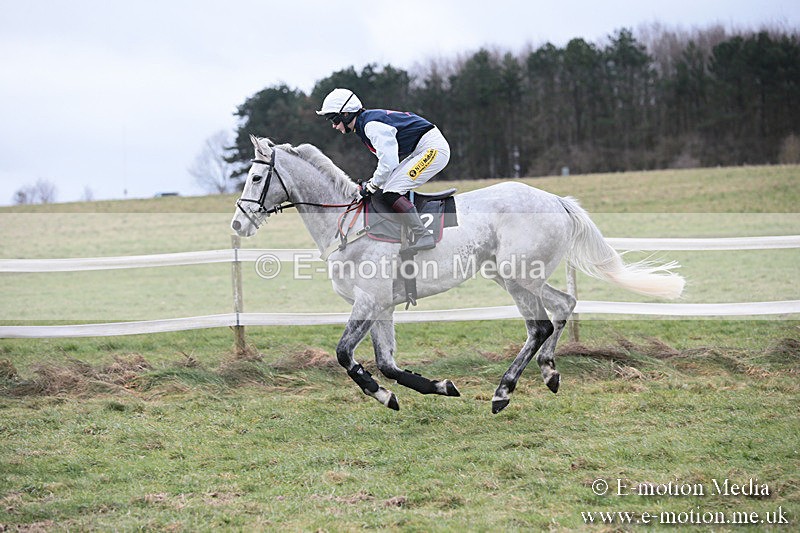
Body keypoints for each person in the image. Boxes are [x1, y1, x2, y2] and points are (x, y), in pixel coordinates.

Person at [316, 88, 450, 252]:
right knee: (387, 187)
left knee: (392, 191)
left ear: (346, 114)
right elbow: (387, 163)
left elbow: (389, 163)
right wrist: (372, 183)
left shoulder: (371, 126)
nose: (334, 126)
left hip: (433, 149)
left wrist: (371, 185)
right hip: (422, 148)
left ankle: (423, 235)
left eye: (334, 120)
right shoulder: (364, 123)